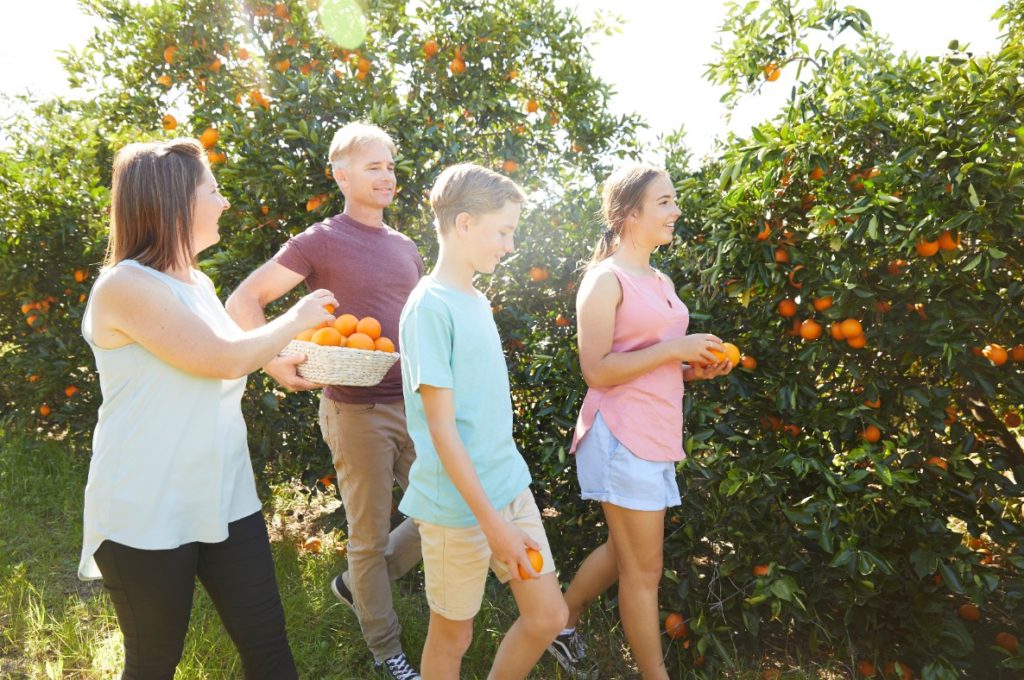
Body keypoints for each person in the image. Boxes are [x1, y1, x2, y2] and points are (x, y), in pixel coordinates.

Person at [79, 138, 338, 680]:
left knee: (268, 647)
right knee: (154, 661)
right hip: (145, 507)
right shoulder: (124, 285)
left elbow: (216, 348)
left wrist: (273, 361)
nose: (224, 203)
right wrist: (297, 319)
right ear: (174, 201)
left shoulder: (197, 282)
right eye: (213, 191)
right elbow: (219, 358)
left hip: (223, 495)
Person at [225, 122, 423, 679]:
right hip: (354, 410)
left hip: (412, 404)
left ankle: (353, 586)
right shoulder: (321, 239)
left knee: (449, 508)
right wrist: (272, 361)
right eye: (372, 166)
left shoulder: (406, 247)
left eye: (389, 165)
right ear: (340, 174)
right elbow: (245, 300)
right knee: (368, 534)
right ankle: (388, 652)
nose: (386, 175)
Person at [547, 164, 732, 679]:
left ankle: (560, 622)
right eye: (665, 202)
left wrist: (696, 369)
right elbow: (597, 370)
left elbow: (656, 364)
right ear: (630, 213)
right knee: (643, 569)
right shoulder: (605, 280)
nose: (677, 211)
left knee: (623, 550)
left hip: (653, 431)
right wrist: (675, 348)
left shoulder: (660, 278)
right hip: (620, 434)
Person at [398, 163, 567, 680]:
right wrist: (493, 527)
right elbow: (442, 429)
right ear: (465, 223)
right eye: (503, 231)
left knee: (548, 616)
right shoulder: (428, 307)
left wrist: (503, 513)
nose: (510, 245)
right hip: (457, 509)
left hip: (507, 486)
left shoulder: (476, 299)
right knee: (454, 637)